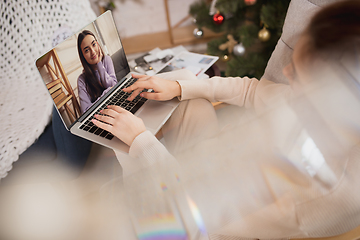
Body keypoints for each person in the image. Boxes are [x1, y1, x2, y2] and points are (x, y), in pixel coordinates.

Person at [92, 1, 360, 239]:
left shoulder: (320, 193)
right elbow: (252, 90)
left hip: (203, 223)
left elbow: (195, 220)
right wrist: (180, 87)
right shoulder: (324, 104)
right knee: (190, 100)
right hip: (219, 165)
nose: (286, 72)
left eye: (299, 74)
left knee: (124, 155)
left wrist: (142, 144)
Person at [77, 30, 117, 114]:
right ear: (83, 56)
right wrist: (106, 93)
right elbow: (85, 111)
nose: (93, 52)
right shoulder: (82, 80)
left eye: (94, 44)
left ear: (98, 44)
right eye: (87, 50)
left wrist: (99, 65)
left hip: (116, 107)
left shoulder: (106, 60)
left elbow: (114, 87)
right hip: (100, 116)